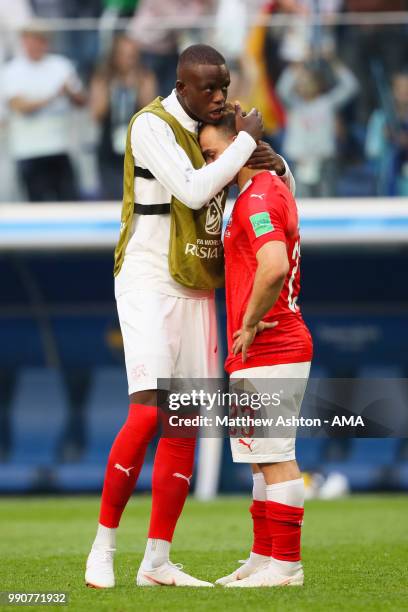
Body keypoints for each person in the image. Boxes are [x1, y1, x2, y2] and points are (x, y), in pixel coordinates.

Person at [85, 43, 296, 589]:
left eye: (224, 87)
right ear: (183, 86)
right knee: (149, 411)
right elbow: (196, 187)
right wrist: (248, 138)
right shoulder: (148, 125)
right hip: (149, 278)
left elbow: (259, 177)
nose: (221, 97)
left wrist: (272, 158)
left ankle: (157, 560)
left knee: (185, 419)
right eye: (210, 88)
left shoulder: (221, 123)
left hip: (199, 284)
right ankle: (103, 545)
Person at [198, 104, 313, 587]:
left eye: (211, 153)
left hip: (272, 343)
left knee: (276, 455)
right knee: (260, 458)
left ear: (239, 148)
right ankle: (263, 557)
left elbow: (273, 266)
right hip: (262, 348)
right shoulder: (259, 191)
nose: (208, 166)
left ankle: (286, 566)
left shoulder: (258, 199)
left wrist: (248, 322)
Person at [2, 24, 86, 201]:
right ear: (24, 42)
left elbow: (81, 101)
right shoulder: (12, 70)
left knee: (70, 201)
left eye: (40, 40)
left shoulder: (61, 65)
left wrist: (69, 93)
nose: (36, 45)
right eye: (32, 40)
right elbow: (20, 106)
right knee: (38, 204)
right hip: (29, 150)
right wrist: (55, 96)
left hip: (60, 146)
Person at [277, 58, 358, 197]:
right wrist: (297, 67)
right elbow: (281, 89)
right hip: (299, 162)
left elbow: (351, 86)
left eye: (309, 81)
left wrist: (334, 63)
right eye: (302, 82)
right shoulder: (294, 104)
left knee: (327, 203)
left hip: (324, 162)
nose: (305, 85)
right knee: (299, 203)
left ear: (318, 83)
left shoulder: (327, 103)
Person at [90, 33, 157, 200]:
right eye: (125, 55)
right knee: (112, 196)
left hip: (138, 149)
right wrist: (113, 88)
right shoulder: (103, 78)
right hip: (109, 147)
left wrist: (135, 85)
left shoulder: (145, 77)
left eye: (133, 56)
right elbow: (97, 113)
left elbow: (150, 110)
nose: (129, 60)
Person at [366, 71, 408, 196]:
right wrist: (384, 138)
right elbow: (372, 151)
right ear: (392, 90)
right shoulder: (380, 118)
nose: (404, 92)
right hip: (390, 182)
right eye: (400, 88)